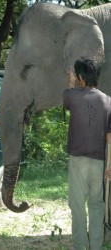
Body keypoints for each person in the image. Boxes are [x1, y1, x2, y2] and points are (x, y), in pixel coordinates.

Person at [63, 57, 111, 250]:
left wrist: (70, 80)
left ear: (80, 76)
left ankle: (81, 246)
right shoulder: (108, 101)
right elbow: (110, 136)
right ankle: (96, 247)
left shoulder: (72, 95)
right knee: (97, 206)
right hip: (99, 161)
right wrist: (110, 164)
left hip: (78, 161)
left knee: (77, 207)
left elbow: (67, 95)